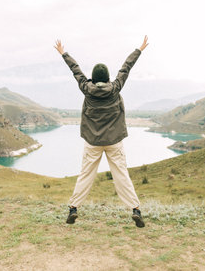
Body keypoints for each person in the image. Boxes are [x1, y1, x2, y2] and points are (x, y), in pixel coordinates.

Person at [54, 36, 149, 228]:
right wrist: (139, 49)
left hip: (92, 142)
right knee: (121, 175)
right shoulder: (115, 88)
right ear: (106, 78)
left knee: (85, 174)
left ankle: (74, 208)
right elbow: (126, 68)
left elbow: (76, 71)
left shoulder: (86, 89)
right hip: (114, 141)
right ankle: (135, 210)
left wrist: (63, 53)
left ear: (94, 78)